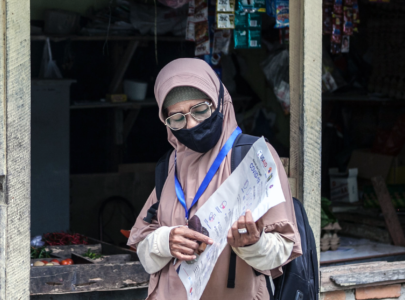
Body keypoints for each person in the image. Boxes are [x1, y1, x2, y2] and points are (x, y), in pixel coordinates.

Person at [128, 58, 302, 300]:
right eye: (177, 118)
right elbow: (143, 249)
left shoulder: (253, 158)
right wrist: (165, 241)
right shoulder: (169, 166)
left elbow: (283, 250)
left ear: (219, 102)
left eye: (200, 110)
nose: (191, 124)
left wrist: (253, 244)